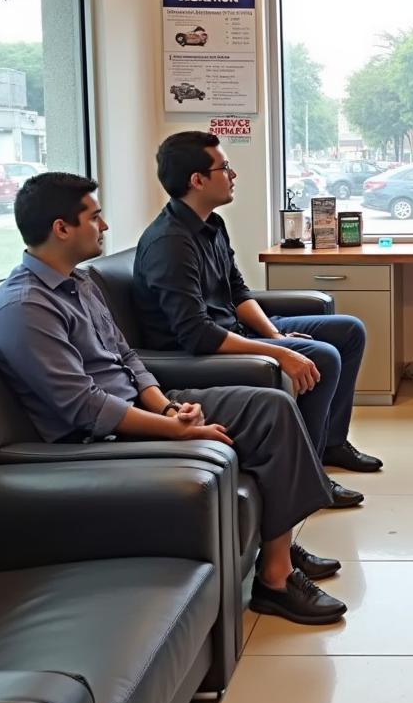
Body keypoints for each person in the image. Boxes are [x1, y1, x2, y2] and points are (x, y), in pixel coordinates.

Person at [0, 172, 346, 625]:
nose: (106, 226)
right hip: (99, 441)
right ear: (61, 228)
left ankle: (277, 552)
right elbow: (84, 407)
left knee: (270, 406)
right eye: (95, 217)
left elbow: (126, 356)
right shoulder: (24, 308)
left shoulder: (79, 283)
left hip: (145, 407)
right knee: (268, 410)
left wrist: (167, 407)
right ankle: (275, 580)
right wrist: (171, 430)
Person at [132, 132, 381, 509]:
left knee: (348, 331)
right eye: (224, 168)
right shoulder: (169, 244)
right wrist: (278, 352)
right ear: (197, 180)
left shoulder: (211, 224)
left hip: (234, 331)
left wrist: (276, 335)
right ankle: (310, 475)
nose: (232, 175)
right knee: (324, 356)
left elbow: (238, 292)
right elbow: (197, 334)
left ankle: (331, 444)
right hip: (199, 354)